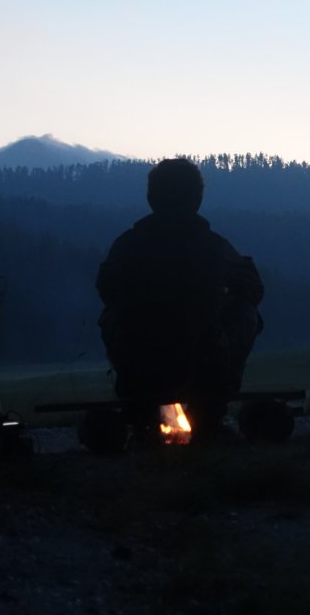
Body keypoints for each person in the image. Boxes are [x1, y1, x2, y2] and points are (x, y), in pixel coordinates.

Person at [96, 158, 263, 444]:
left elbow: (105, 290)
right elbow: (254, 289)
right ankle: (210, 414)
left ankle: (142, 417)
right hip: (203, 365)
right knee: (246, 314)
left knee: (112, 314)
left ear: (150, 198)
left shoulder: (127, 246)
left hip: (141, 368)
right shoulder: (214, 247)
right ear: (198, 199)